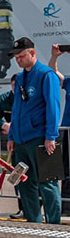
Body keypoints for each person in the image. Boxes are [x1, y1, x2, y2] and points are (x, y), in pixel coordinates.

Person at [9, 38, 62, 224]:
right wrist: (11, 136)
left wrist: (50, 136)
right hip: (21, 141)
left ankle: (54, 226)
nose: (19, 60)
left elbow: (53, 106)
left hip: (40, 139)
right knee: (25, 184)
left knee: (48, 183)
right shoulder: (21, 77)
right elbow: (16, 109)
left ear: (33, 53)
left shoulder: (46, 75)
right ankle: (34, 223)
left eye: (22, 56)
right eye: (16, 57)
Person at [0, 75, 23, 219]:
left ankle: (38, 207)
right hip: (14, 142)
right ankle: (22, 207)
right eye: (14, 85)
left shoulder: (27, 98)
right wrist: (4, 126)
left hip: (29, 139)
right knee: (18, 175)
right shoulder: (5, 99)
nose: (16, 88)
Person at [48, 44, 70, 215]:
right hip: (67, 131)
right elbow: (53, 74)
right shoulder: (69, 82)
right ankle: (66, 207)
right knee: (66, 170)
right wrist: (55, 56)